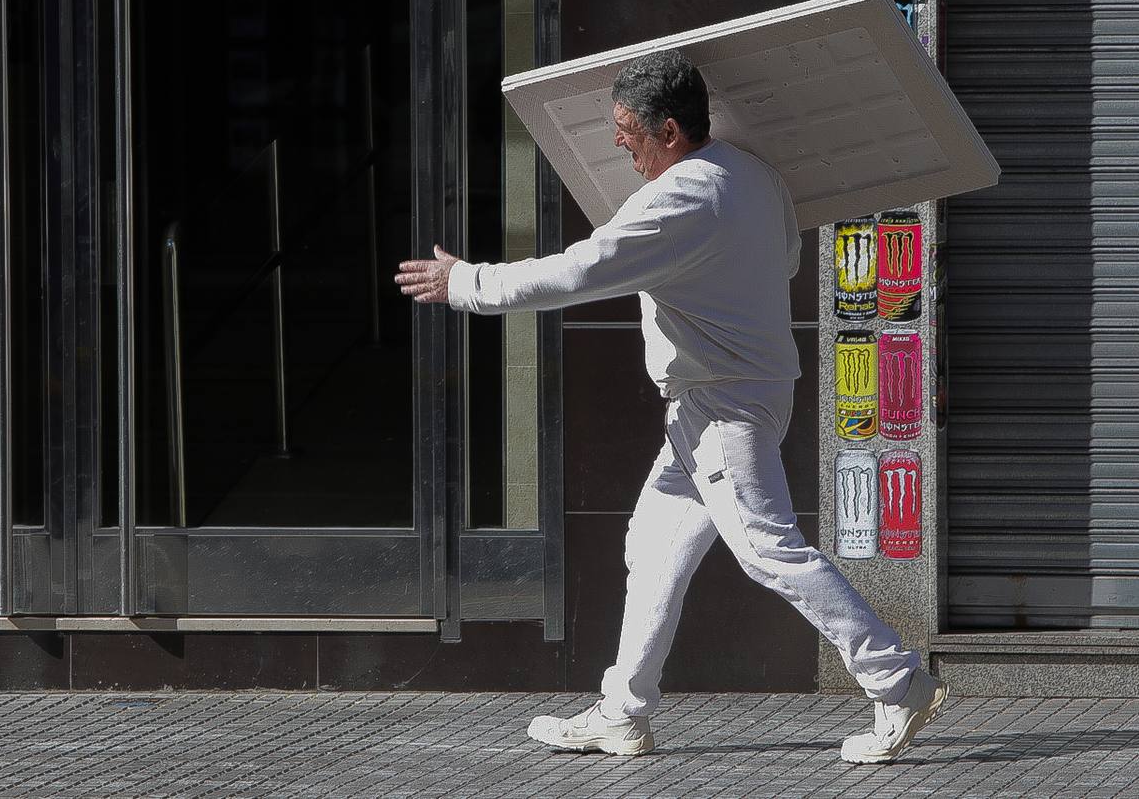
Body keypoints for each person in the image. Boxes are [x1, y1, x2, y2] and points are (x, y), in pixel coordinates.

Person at [394, 49, 946, 764]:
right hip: (727, 397)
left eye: (627, 129)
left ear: (671, 131)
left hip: (724, 406)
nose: (618, 141)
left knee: (768, 550)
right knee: (653, 549)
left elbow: (579, 271)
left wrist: (465, 281)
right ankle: (623, 714)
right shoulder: (754, 175)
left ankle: (896, 682)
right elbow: (779, 261)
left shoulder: (681, 197)